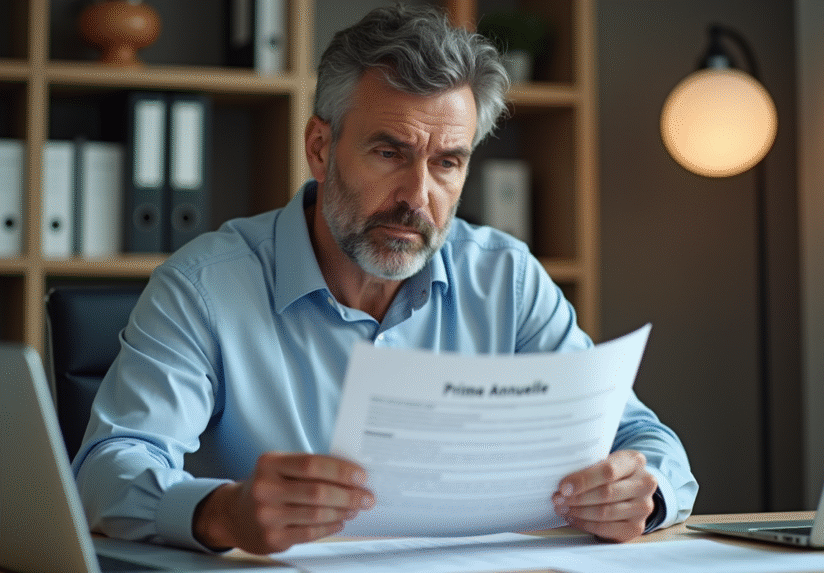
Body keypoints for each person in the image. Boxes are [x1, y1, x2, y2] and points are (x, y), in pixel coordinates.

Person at [73, 4, 698, 555]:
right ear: (320, 145)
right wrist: (222, 513)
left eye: (447, 163)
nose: (416, 198)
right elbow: (108, 470)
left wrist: (643, 493)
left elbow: (644, 439)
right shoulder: (204, 286)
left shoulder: (508, 279)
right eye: (389, 152)